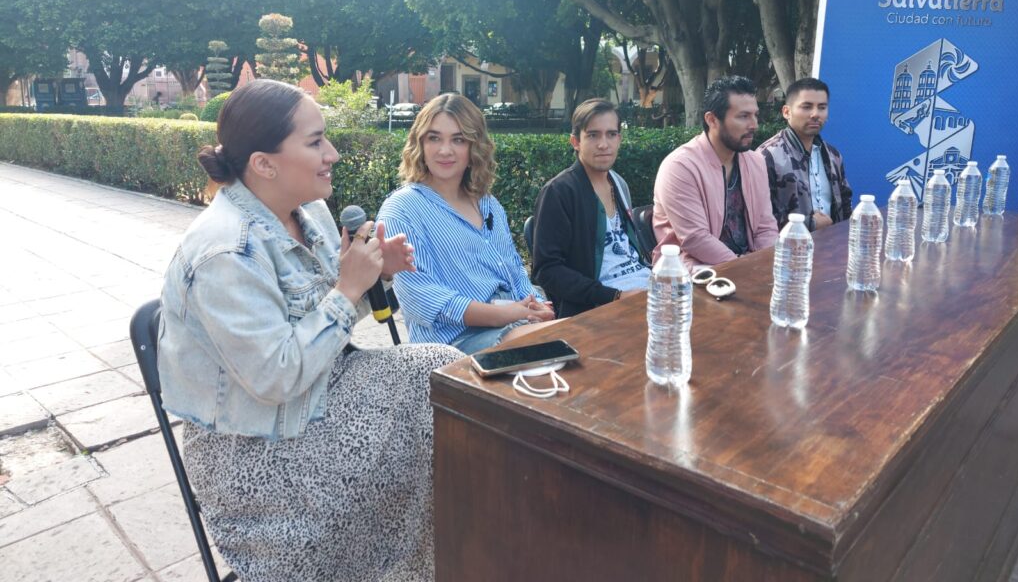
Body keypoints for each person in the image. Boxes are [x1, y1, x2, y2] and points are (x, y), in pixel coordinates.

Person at [158, 79, 461, 582]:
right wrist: (348, 288)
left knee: (447, 386)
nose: (333, 153)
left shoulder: (311, 213)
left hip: (321, 400)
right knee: (438, 390)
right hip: (255, 455)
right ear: (264, 164)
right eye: (316, 141)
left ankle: (423, 562)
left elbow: (318, 329)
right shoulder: (224, 253)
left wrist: (371, 278)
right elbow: (276, 377)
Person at [376, 93, 555, 353]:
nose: (444, 150)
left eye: (458, 139)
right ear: (420, 144)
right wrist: (506, 315)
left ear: (474, 147)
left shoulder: (488, 204)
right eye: (434, 138)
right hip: (455, 344)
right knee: (557, 345)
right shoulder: (402, 209)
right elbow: (423, 300)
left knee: (581, 339)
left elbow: (515, 270)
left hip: (515, 322)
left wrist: (537, 304)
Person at [531, 98, 650, 318]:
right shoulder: (559, 192)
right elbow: (547, 270)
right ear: (575, 141)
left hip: (646, 289)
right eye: (593, 135)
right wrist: (615, 296)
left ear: (619, 139)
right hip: (602, 307)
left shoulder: (619, 183)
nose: (604, 144)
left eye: (611, 134)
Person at [652, 75, 778, 269]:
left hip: (746, 263)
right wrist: (745, 268)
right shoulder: (680, 167)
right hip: (690, 269)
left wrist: (766, 263)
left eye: (755, 115)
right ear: (712, 120)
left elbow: (765, 227)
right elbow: (695, 238)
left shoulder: (755, 161)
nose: (754, 125)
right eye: (743, 116)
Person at [757, 77, 853, 231]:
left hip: (832, 243)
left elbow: (845, 205)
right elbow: (759, 218)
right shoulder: (768, 156)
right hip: (788, 245)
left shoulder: (833, 156)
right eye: (807, 107)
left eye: (822, 107)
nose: (815, 114)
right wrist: (810, 224)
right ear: (787, 112)